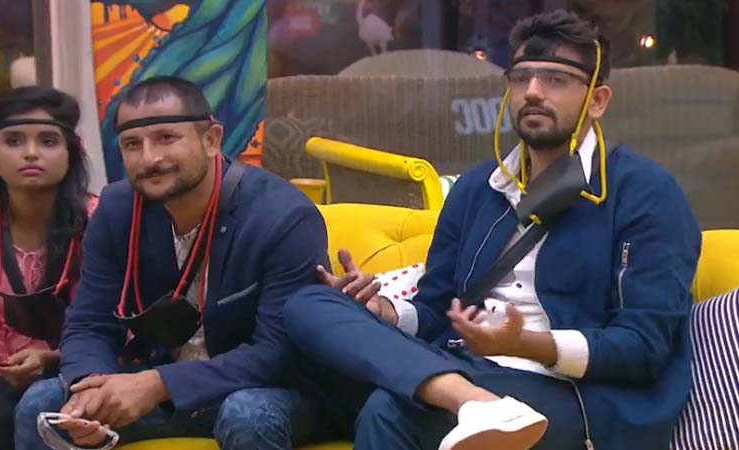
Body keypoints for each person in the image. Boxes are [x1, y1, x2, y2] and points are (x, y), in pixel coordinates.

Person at [284, 9, 701, 450]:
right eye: (521, 78)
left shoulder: (645, 193)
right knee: (309, 304)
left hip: (578, 394)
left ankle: (471, 401)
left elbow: (643, 346)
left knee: (391, 409)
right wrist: (384, 312)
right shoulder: (478, 188)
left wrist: (528, 344)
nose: (533, 91)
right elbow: (436, 308)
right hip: (463, 367)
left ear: (597, 101)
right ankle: (474, 402)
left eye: (556, 80)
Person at [15, 76, 331, 450]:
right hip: (162, 388)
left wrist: (159, 384)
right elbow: (89, 322)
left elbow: (279, 351)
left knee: (247, 413)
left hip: (270, 390)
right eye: (132, 144)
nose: (149, 158)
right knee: (41, 403)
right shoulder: (117, 209)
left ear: (211, 139)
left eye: (166, 138)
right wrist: (89, 387)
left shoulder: (283, 216)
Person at [0, 86, 97, 450]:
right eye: (13, 141)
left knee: (7, 417)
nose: (30, 153)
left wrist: (51, 359)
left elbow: (114, 327)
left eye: (47, 141)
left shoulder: (100, 220)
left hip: (81, 366)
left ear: (71, 152)